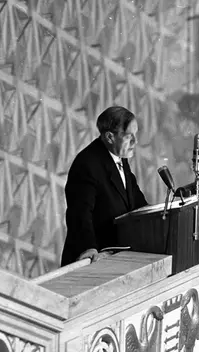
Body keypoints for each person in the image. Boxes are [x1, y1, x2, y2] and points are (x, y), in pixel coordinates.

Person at [61, 106, 148, 266]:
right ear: (109, 137)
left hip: (118, 254)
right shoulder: (86, 164)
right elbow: (79, 214)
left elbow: (135, 201)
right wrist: (88, 247)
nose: (135, 142)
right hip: (92, 260)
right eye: (129, 136)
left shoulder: (119, 156)